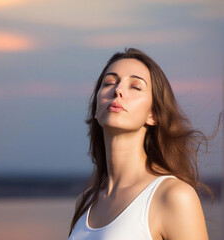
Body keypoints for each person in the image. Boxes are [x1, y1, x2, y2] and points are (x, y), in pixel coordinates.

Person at [68, 48, 213, 240]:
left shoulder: (173, 196)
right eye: (109, 83)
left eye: (135, 87)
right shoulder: (85, 202)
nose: (118, 90)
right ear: (96, 108)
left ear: (153, 115)